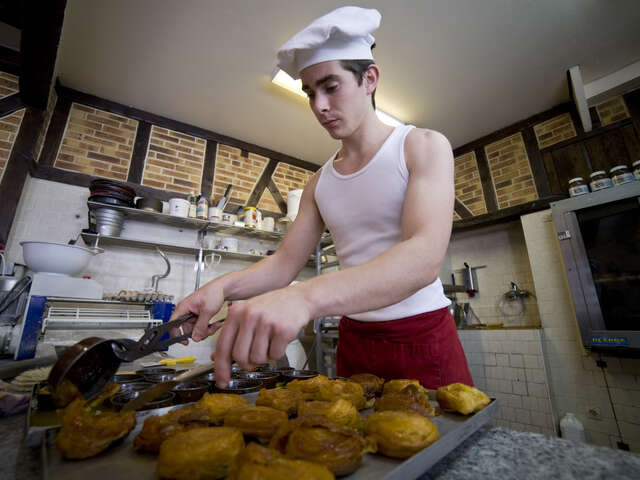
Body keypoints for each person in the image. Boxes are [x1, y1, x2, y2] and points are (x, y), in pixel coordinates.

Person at [170, 6, 472, 389]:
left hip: (422, 337)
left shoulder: (421, 146)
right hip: (355, 340)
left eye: (331, 87)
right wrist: (220, 288)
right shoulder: (319, 183)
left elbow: (423, 258)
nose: (319, 106)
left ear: (369, 79)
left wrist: (305, 299)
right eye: (311, 93)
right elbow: (284, 264)